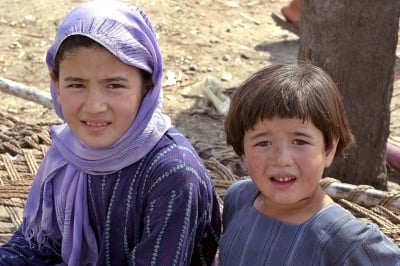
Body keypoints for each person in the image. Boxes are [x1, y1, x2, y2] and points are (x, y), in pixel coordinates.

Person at [0, 1, 221, 265]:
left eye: (114, 85)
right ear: (56, 83)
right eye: (76, 84)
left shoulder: (173, 174)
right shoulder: (69, 151)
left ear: (148, 86)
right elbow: (36, 244)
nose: (94, 106)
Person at [218, 63, 400, 265]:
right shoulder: (239, 198)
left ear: (329, 149)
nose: (281, 159)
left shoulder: (347, 241)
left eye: (300, 142)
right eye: (263, 143)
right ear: (242, 151)